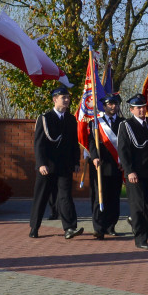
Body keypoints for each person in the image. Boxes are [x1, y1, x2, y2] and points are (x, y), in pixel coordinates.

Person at [29, 86, 81, 239]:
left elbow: (73, 143)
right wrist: (41, 163)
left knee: (65, 196)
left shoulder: (71, 119)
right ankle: (34, 227)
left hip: (65, 166)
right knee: (42, 197)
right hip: (47, 166)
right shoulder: (45, 118)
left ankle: (70, 228)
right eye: (63, 97)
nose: (66, 100)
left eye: (68, 98)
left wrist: (76, 161)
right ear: (54, 99)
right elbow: (39, 144)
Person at [118, 94, 148, 250]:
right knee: (138, 206)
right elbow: (123, 151)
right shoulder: (126, 125)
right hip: (135, 173)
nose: (142, 110)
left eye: (143, 107)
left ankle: (136, 222)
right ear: (131, 110)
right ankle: (141, 239)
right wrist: (129, 170)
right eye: (138, 108)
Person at [87, 93, 124, 240]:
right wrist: (94, 156)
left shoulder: (123, 123)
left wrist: (123, 161)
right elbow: (91, 141)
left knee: (114, 197)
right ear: (104, 106)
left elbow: (124, 145)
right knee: (99, 196)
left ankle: (111, 226)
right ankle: (99, 227)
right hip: (100, 165)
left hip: (117, 165)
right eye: (110, 104)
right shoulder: (96, 122)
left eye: (115, 104)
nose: (113, 106)